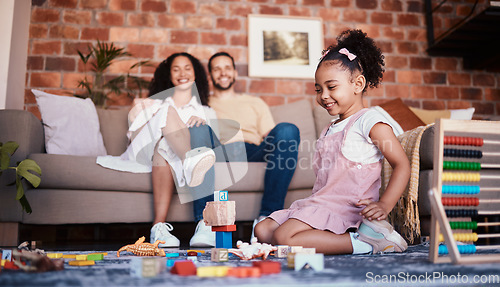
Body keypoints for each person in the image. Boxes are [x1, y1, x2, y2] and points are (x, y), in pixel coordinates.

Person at [254, 29, 411, 255]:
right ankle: (336, 239)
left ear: (358, 84)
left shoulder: (369, 120)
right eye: (318, 90)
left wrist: (384, 205)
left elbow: (402, 164)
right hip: (321, 202)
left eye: (331, 87)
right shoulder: (330, 128)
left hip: (346, 208)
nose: (323, 96)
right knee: (263, 229)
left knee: (283, 237)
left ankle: (366, 243)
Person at [97, 52, 219, 248]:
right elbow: (134, 134)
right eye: (176, 69)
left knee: (166, 147)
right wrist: (141, 108)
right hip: (145, 150)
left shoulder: (207, 111)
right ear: (168, 75)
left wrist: (201, 126)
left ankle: (159, 228)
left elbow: (213, 148)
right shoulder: (157, 103)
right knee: (165, 113)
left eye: (187, 68)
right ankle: (190, 161)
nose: (182, 73)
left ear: (195, 74)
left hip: (165, 156)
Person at [207, 52, 301, 238]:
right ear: (210, 75)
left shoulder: (254, 102)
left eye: (227, 68)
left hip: (253, 149)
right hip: (221, 150)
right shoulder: (203, 104)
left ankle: (266, 219)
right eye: (216, 69)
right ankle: (205, 225)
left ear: (234, 73)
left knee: (288, 130)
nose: (223, 73)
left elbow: (271, 137)